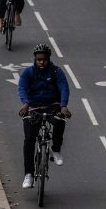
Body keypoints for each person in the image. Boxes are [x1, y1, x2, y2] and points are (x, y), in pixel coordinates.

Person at [17, 43, 71, 189]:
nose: (41, 62)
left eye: (44, 60)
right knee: (29, 139)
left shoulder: (56, 72)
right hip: (33, 107)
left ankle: (56, 149)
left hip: (52, 106)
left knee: (60, 121)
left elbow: (64, 88)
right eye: (39, 59)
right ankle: (28, 174)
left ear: (48, 59)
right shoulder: (28, 72)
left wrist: (63, 105)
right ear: (35, 59)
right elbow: (22, 88)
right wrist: (25, 103)